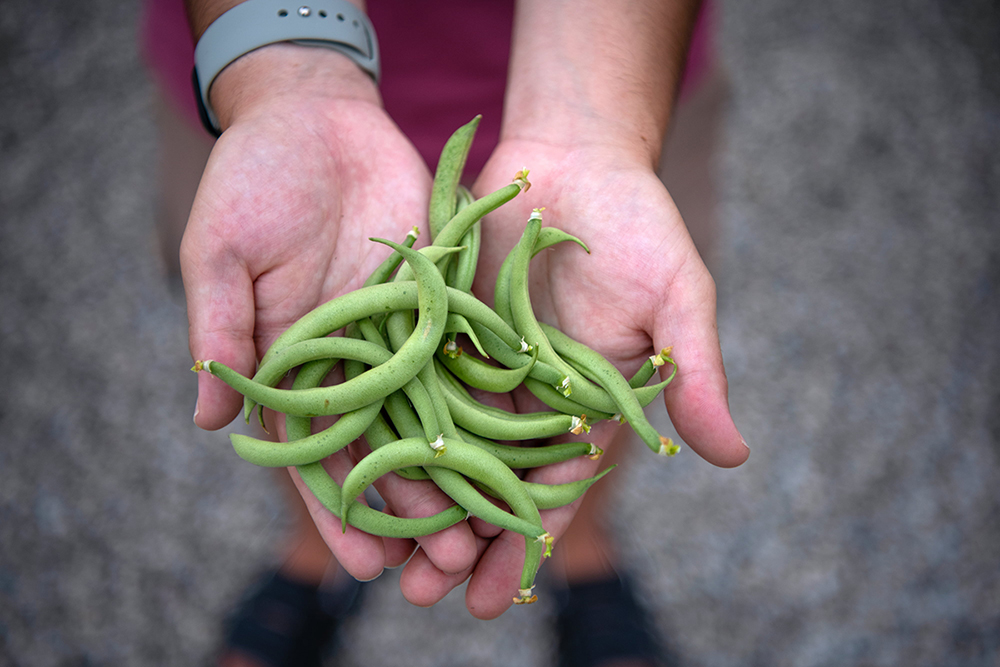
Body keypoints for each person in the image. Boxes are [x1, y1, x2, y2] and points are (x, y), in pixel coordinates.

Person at [141, 0, 749, 664]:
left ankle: (577, 543)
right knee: (279, 357)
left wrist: (596, 124)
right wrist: (280, 77)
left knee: (606, 352)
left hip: (622, 77)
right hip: (255, 72)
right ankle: (319, 545)